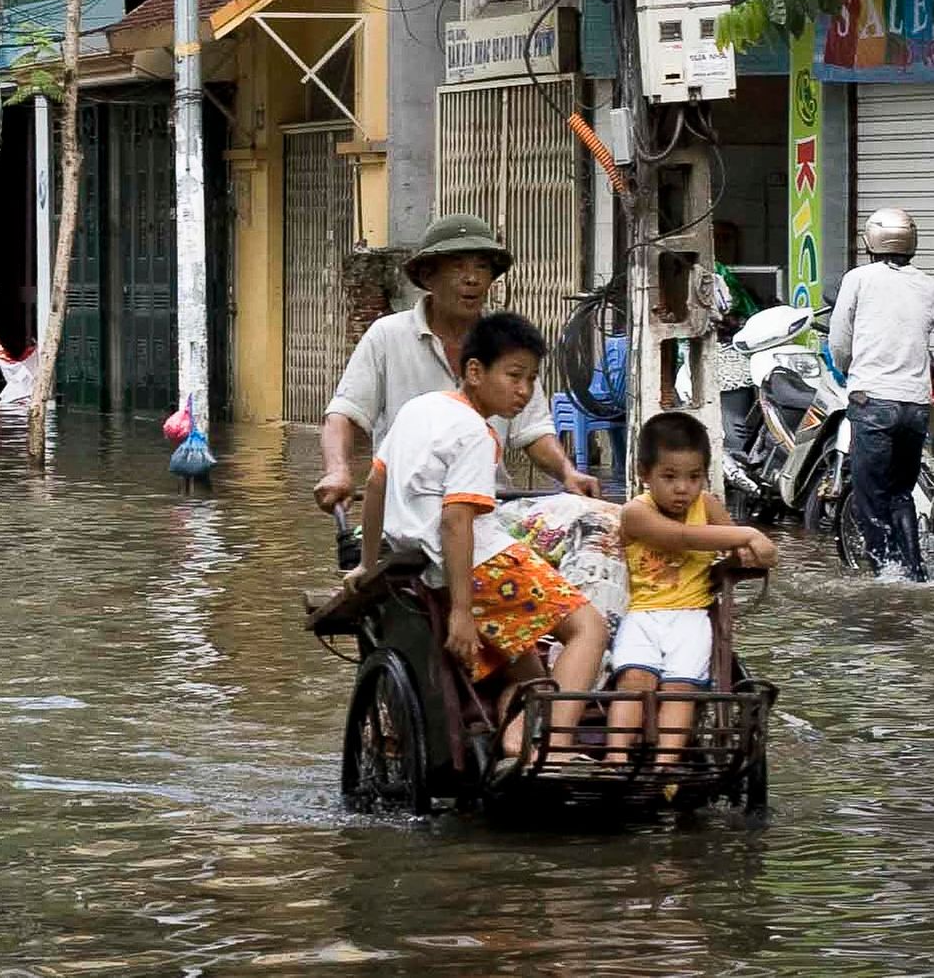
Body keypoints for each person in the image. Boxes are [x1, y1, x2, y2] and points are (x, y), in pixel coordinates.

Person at [348, 311, 609, 758]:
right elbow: (456, 520)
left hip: (430, 572)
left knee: (527, 668)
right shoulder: (474, 432)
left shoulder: (418, 410)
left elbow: (376, 485)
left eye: (530, 379)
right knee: (590, 629)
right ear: (474, 372)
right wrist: (463, 613)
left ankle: (514, 727)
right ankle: (548, 744)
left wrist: (368, 565)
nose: (524, 391)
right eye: (514, 376)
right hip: (485, 566)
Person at [317, 213, 599, 513]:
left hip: (489, 508)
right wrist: (338, 470)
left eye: (481, 267)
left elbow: (534, 431)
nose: (472, 278)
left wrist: (568, 473)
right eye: (457, 266)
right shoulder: (388, 336)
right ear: (428, 277)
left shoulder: (507, 342)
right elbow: (343, 415)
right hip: (408, 510)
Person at [606, 412, 777, 765]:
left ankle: (666, 765)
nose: (682, 488)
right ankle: (616, 757)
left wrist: (742, 556)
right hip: (642, 615)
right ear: (645, 474)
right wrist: (749, 535)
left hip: (692, 617)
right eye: (669, 477)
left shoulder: (708, 505)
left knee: (680, 689)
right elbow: (682, 538)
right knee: (634, 682)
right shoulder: (635, 512)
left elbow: (740, 552)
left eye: (694, 477)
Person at [830, 207, 934, 581]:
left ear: (871, 242)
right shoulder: (927, 285)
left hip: (872, 403)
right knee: (901, 493)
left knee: (871, 497)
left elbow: (839, 341)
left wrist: (850, 370)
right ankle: (914, 572)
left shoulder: (858, 279)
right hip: (914, 407)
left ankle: (886, 573)